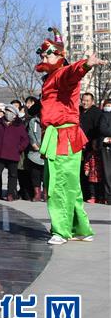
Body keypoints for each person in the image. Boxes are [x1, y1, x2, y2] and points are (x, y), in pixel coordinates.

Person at [36, 28, 103, 245]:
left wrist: (85, 64)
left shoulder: (62, 75)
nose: (44, 57)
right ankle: (81, 228)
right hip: (58, 135)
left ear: (60, 56)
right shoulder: (49, 78)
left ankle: (61, 231)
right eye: (43, 55)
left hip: (64, 136)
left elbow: (72, 72)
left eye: (48, 54)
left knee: (57, 184)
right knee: (70, 185)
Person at [0, 106, 29, 201]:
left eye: (10, 112)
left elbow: (25, 140)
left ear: (14, 115)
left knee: (13, 175)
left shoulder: (19, 125)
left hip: (13, 154)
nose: (7, 113)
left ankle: (10, 194)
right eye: (7, 111)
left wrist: (19, 148)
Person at [79, 92, 102, 203]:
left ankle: (94, 195)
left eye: (87, 100)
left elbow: (98, 129)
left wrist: (95, 143)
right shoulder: (79, 111)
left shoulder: (96, 112)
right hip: (79, 145)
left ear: (92, 101)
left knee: (92, 172)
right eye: (83, 100)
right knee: (81, 171)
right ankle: (82, 194)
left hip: (91, 146)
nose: (85, 102)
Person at [25, 100, 45, 202]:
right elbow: (30, 134)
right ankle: (37, 193)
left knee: (46, 174)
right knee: (35, 174)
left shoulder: (51, 122)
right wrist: (33, 144)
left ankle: (46, 193)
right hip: (35, 151)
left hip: (47, 152)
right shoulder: (33, 121)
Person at [98, 99, 111, 204]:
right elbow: (102, 129)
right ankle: (108, 196)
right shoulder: (103, 115)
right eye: (107, 105)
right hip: (105, 146)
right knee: (107, 172)